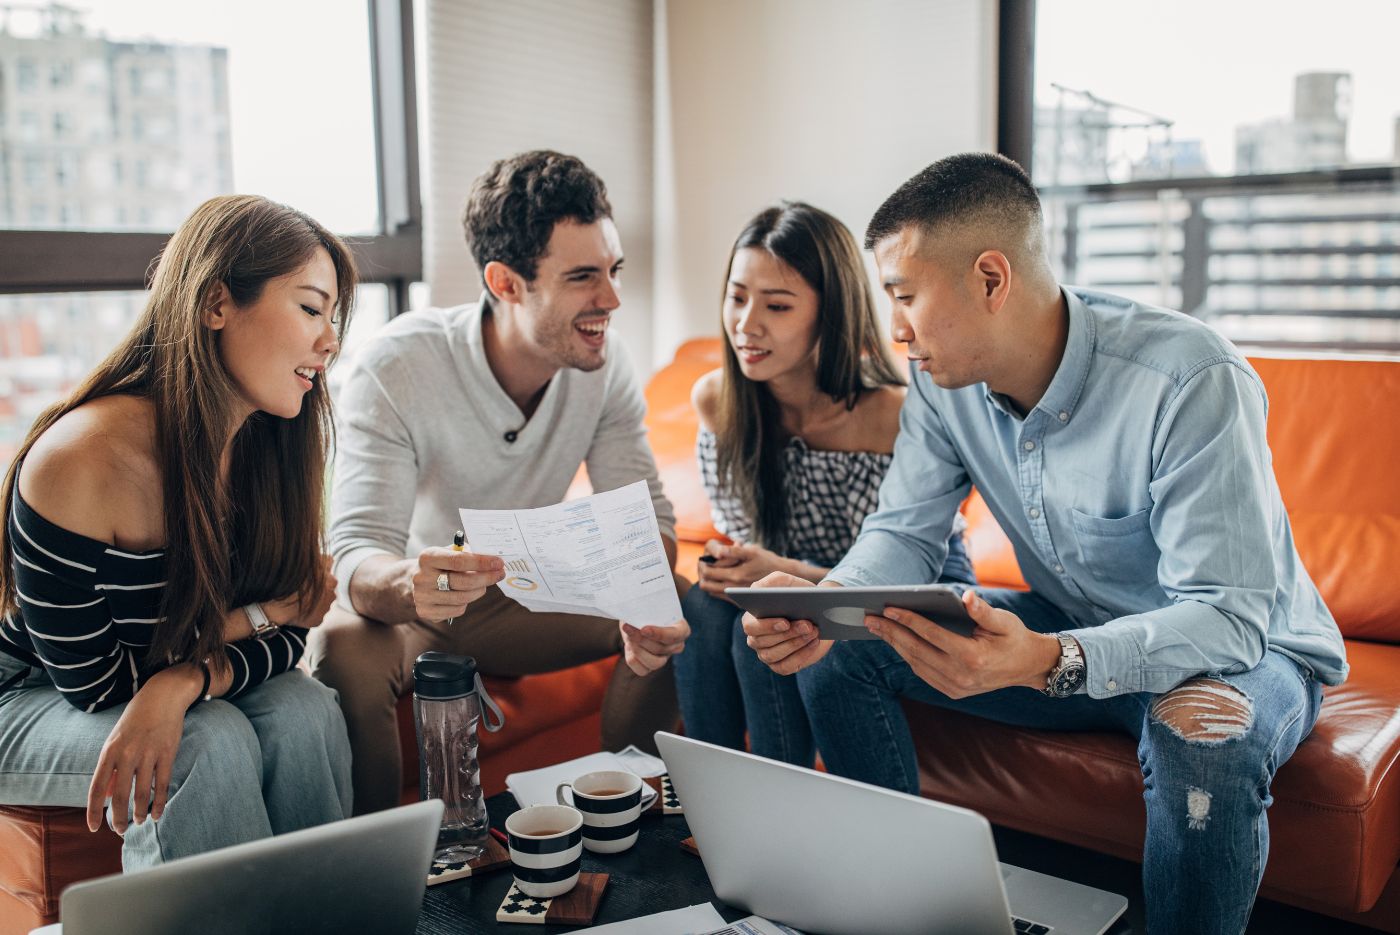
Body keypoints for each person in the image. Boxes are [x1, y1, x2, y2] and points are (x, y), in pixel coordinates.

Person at [742, 153, 1348, 935]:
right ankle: (897, 906)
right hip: (1070, 620)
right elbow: (902, 532)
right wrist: (827, 608)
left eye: (905, 295)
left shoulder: (1188, 379)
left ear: (991, 279)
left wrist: (1050, 659)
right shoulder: (939, 382)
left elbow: (1227, 616)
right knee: (845, 651)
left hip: (1241, 649)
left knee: (1205, 740)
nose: (894, 329)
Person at [309, 150, 689, 816]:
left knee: (675, 602)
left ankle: (630, 820)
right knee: (341, 646)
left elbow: (649, 518)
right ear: (506, 282)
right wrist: (413, 583)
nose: (611, 298)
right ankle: (380, 859)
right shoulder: (398, 365)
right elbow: (355, 553)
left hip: (531, 599)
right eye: (583, 277)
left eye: (613, 270)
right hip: (423, 609)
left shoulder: (606, 365)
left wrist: (638, 577)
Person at [0, 195, 356, 870]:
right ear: (216, 303)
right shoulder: (81, 461)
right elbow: (98, 686)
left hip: (160, 669)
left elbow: (296, 628)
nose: (331, 340)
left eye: (334, 317)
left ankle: (334, 912)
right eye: (312, 309)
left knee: (303, 710)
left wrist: (186, 678)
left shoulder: (270, 443)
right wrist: (257, 620)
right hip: (25, 691)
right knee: (204, 742)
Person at [672, 201, 974, 766]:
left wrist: (787, 575)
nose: (746, 324)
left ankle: (779, 796)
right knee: (702, 607)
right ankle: (703, 795)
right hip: (793, 580)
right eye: (737, 297)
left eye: (777, 305)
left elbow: (908, 572)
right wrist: (737, 566)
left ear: (830, 313)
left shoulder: (892, 414)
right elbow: (746, 536)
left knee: (763, 625)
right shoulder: (718, 400)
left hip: (912, 586)